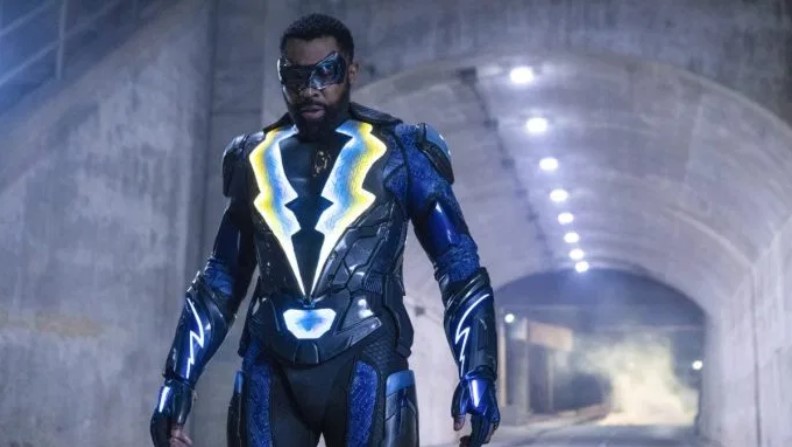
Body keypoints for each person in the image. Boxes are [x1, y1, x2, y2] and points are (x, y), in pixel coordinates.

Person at [150, 13, 500, 447]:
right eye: (295, 77)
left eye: (325, 73)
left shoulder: (403, 151)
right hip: (270, 363)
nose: (309, 89)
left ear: (351, 71)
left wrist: (478, 371)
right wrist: (178, 378)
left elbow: (459, 267)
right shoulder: (254, 157)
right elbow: (221, 278)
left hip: (367, 356)